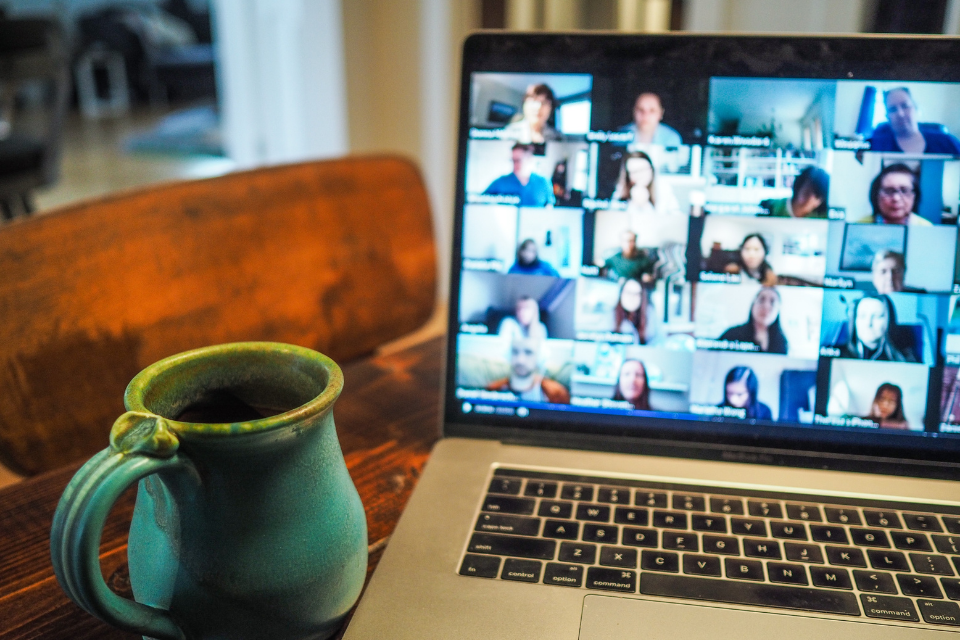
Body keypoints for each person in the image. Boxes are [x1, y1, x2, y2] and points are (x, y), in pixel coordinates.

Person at [869, 87, 960, 154]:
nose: (900, 114)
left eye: (905, 106)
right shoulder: (875, 146)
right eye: (893, 109)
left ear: (916, 109)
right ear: (887, 116)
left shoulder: (946, 141)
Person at [486, 336, 570, 403]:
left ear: (539, 357)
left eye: (528, 352)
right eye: (515, 352)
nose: (520, 360)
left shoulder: (556, 393)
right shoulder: (493, 389)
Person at [836, 295, 917, 362]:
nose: (868, 323)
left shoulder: (905, 359)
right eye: (862, 316)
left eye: (877, 316)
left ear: (888, 321)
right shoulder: (836, 353)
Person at [719, 287, 789, 354]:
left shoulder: (782, 342)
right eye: (761, 300)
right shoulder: (731, 335)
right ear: (753, 305)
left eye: (772, 302)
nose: (766, 306)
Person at [856, 163, 930, 226]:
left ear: (915, 196)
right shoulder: (860, 225)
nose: (896, 198)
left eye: (904, 191)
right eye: (888, 191)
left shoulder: (925, 228)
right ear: (876, 195)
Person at [483, 143, 556, 207]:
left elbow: (549, 207)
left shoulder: (543, 182)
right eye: (513, 160)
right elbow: (481, 202)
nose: (514, 164)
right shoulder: (500, 183)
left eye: (518, 160)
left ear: (529, 159)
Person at [612, 150, 680, 216]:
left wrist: (645, 205)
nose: (640, 175)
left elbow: (676, 219)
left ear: (651, 169)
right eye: (634, 172)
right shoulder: (621, 190)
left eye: (643, 169)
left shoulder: (664, 189)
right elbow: (613, 217)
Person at [761, 166, 830, 218]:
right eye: (807, 189)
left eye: (816, 195)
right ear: (799, 185)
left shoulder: (823, 218)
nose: (809, 197)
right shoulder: (772, 207)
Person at [614, 278, 650, 344]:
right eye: (628, 292)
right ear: (621, 294)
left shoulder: (649, 318)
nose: (632, 297)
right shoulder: (610, 317)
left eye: (636, 294)